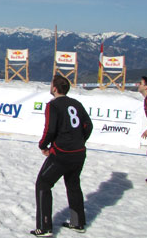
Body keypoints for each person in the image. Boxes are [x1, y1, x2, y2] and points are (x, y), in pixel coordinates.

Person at [31, 75, 93, 237]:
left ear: (55, 88)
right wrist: (80, 140)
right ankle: (77, 222)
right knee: (73, 184)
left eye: (51, 85)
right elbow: (88, 125)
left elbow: (50, 130)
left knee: (43, 184)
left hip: (62, 153)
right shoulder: (76, 104)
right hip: (79, 153)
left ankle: (44, 227)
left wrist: (43, 145)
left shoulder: (53, 105)